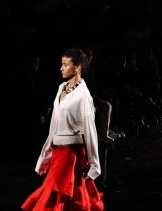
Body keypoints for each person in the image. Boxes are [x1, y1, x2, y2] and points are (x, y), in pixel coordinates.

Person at [23, 48, 103, 211]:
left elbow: (90, 129)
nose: (61, 68)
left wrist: (95, 164)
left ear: (78, 67)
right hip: (58, 152)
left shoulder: (83, 96)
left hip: (71, 154)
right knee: (63, 197)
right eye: (61, 64)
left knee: (55, 196)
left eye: (65, 65)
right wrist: (44, 157)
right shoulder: (61, 88)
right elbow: (54, 126)